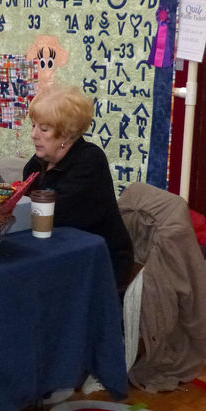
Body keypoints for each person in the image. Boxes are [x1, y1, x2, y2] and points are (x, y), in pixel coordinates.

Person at [23, 84, 134, 289]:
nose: (34, 135)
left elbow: (56, 215)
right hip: (53, 254)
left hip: (98, 261)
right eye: (33, 126)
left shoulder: (90, 160)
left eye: (44, 129)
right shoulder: (37, 163)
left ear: (66, 134)